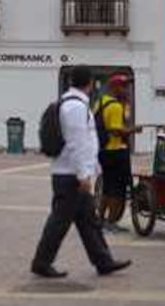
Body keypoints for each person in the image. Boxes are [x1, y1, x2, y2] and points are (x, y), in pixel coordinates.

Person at [31, 64, 131, 279]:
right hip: (71, 176)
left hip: (69, 173)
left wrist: (90, 169)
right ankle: (41, 262)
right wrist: (83, 174)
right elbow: (77, 143)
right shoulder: (76, 107)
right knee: (59, 222)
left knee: (89, 222)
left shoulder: (69, 103)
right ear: (90, 83)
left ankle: (103, 261)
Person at [95, 73, 139, 232]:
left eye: (127, 86)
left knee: (107, 187)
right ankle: (111, 222)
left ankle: (100, 220)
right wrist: (133, 130)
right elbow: (115, 130)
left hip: (103, 151)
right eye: (123, 86)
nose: (126, 90)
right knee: (117, 190)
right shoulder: (115, 106)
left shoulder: (101, 102)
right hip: (116, 151)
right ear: (114, 87)